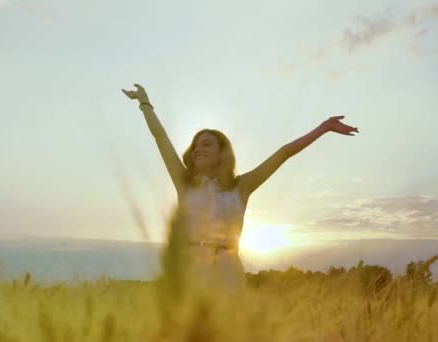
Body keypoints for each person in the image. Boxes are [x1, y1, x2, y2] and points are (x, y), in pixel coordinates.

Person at [121, 83, 359, 296]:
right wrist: (145, 104)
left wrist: (325, 127)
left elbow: (284, 153)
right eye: (195, 145)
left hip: (229, 273)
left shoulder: (242, 186)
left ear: (222, 153)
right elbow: (160, 137)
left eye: (206, 144)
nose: (197, 148)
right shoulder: (184, 183)